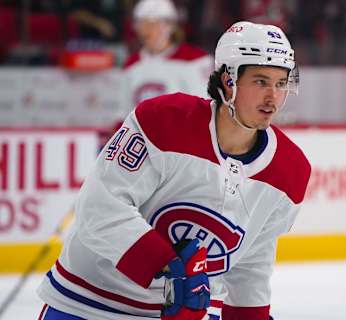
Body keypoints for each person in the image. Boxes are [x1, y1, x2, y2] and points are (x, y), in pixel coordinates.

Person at [36, 21, 311, 320]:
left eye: (281, 83)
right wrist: (169, 268)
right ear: (228, 80)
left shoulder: (290, 171)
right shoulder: (163, 122)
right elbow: (99, 207)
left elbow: (252, 261)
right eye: (260, 81)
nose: (273, 97)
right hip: (88, 303)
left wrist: (250, 315)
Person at [123, 0, 213, 109]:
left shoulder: (195, 59)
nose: (146, 30)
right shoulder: (132, 64)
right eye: (141, 24)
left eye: (153, 24)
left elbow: (204, 108)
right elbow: (123, 113)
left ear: (170, 26)